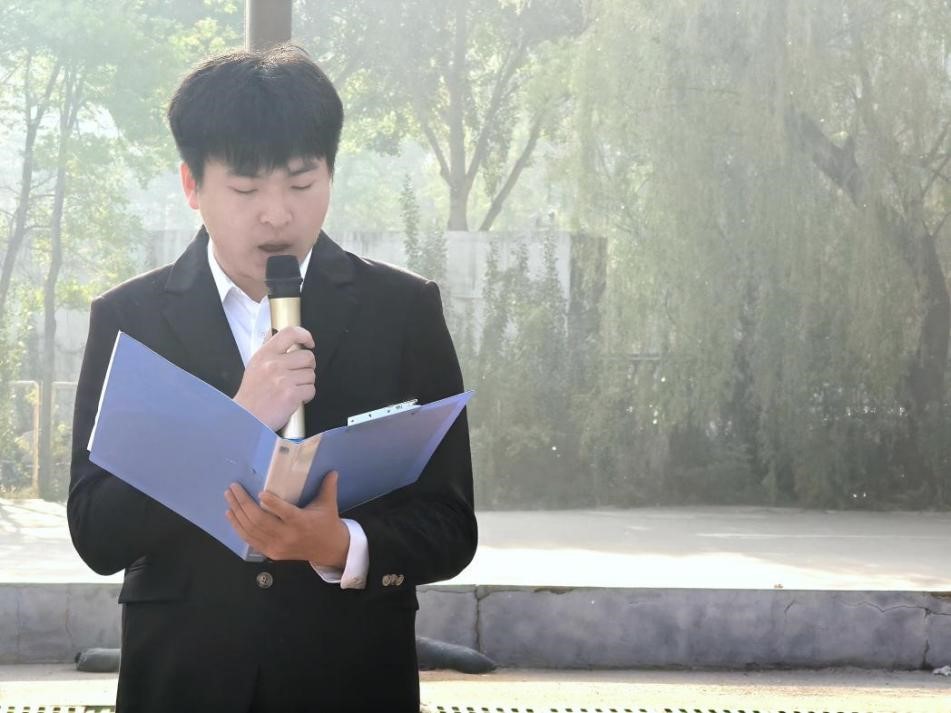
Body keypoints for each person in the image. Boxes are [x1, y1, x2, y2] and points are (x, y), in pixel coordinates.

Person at [67, 46, 477, 712]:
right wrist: (232, 423)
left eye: (301, 183)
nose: (278, 214)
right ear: (192, 186)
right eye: (246, 188)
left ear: (331, 175)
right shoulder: (130, 318)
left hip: (350, 678)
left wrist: (341, 544)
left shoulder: (402, 308)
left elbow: (451, 523)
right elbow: (96, 531)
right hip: (183, 680)